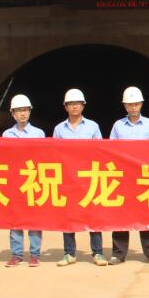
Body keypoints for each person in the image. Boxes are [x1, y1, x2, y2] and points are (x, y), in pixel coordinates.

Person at [108, 86, 149, 265]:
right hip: (123, 177)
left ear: (141, 104)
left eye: (136, 104)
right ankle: (118, 253)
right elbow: (111, 151)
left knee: (147, 214)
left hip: (144, 176)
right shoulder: (118, 126)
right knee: (121, 215)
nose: (133, 107)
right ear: (125, 106)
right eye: (130, 104)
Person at [53, 88, 106, 267]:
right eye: (71, 104)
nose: (74, 106)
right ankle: (69, 253)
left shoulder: (93, 127)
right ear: (65, 107)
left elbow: (101, 152)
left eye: (77, 103)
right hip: (67, 179)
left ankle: (98, 253)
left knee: (93, 216)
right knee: (68, 217)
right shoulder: (59, 129)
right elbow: (54, 154)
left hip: (89, 178)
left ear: (83, 106)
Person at [2, 94, 45, 268]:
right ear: (13, 113)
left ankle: (34, 255)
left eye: (25, 110)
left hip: (33, 179)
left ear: (30, 112)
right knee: (15, 219)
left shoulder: (38, 134)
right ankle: (16, 254)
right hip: (14, 181)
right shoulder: (7, 135)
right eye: (19, 110)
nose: (22, 113)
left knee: (34, 219)